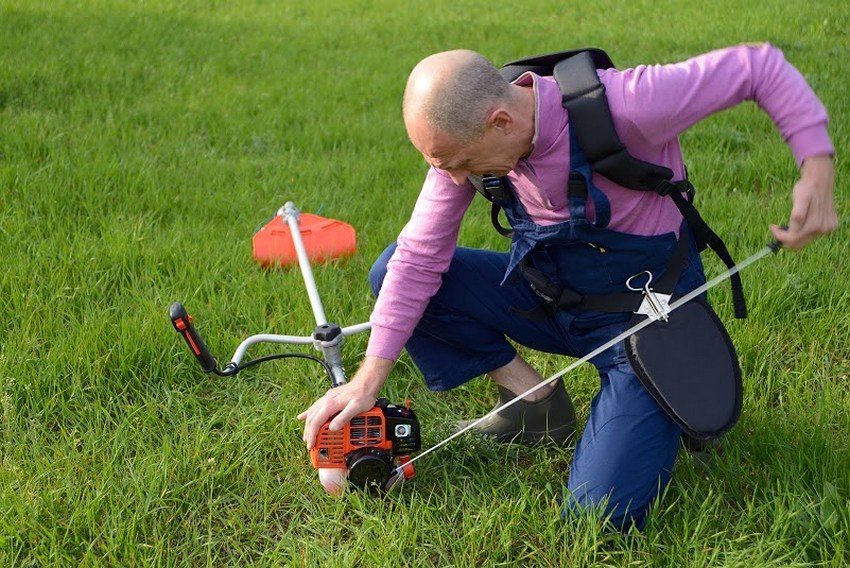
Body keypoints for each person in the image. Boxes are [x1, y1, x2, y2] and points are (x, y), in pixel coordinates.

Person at [298, 44, 836, 529]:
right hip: (554, 299)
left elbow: (759, 67)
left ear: (500, 121)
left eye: (458, 164)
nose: (456, 179)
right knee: (391, 268)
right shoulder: (469, 144)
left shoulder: (628, 104)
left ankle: (668, 399)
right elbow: (418, 259)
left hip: (648, 320)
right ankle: (535, 403)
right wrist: (367, 382)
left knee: (596, 517)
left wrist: (817, 170)